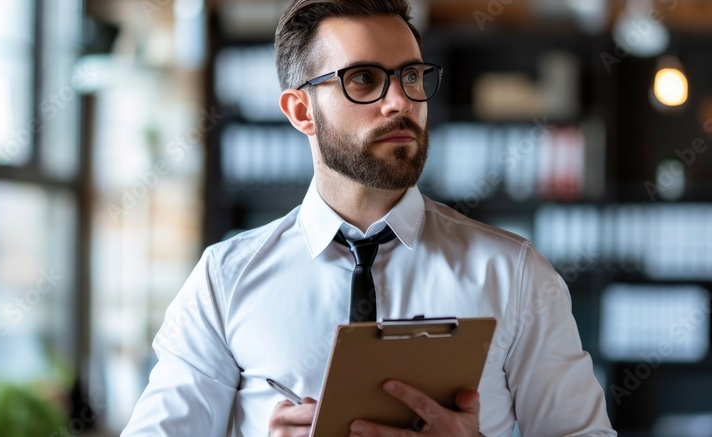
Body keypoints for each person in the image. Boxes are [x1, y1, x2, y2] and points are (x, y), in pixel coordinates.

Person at [122, 0, 616, 435]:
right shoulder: (224, 281)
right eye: (364, 79)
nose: (400, 101)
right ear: (301, 111)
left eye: (412, 76)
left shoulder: (515, 275)